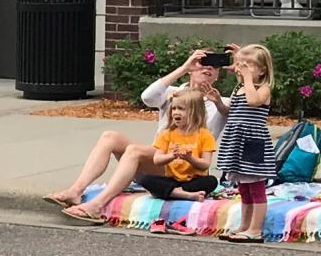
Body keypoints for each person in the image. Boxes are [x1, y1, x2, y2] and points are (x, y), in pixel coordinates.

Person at [46, 49, 224, 208]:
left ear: (218, 75)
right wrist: (184, 67)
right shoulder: (172, 93)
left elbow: (246, 107)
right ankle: (76, 191)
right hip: (159, 160)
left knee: (134, 151)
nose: (207, 68)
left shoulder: (221, 103)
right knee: (110, 136)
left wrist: (241, 71)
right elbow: (147, 96)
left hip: (188, 170)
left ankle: (97, 204)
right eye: (202, 63)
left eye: (215, 66)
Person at [60, 92, 216, 223]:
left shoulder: (205, 130)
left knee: (210, 181)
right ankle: (76, 190)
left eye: (181, 109)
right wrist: (172, 156)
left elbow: (205, 164)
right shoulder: (168, 132)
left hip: (193, 178)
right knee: (146, 179)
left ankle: (97, 204)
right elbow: (157, 159)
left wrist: (189, 158)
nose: (175, 112)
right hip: (170, 175)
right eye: (173, 108)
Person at [213, 43, 277, 244]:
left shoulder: (263, 89)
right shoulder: (239, 88)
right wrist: (217, 102)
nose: (244, 69)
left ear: (263, 70)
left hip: (252, 143)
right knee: (243, 187)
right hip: (236, 141)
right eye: (242, 65)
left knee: (256, 187)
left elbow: (253, 102)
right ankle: (244, 225)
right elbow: (229, 113)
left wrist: (248, 77)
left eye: (251, 65)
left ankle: (255, 230)